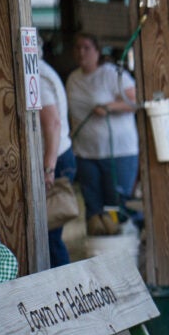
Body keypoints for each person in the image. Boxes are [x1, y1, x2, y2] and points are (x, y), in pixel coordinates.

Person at [66, 32, 140, 236]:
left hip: (118, 153)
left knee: (117, 205)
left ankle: (126, 249)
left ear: (98, 52)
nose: (82, 52)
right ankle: (96, 252)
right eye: (78, 48)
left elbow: (134, 102)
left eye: (87, 48)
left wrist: (110, 106)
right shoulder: (73, 78)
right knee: (93, 207)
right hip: (86, 153)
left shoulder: (112, 74)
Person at [39, 50, 77, 267]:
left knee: (50, 236)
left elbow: (52, 123)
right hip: (58, 157)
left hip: (55, 159)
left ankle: (60, 287)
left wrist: (48, 167)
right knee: (50, 235)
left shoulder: (38, 76)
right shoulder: (43, 72)